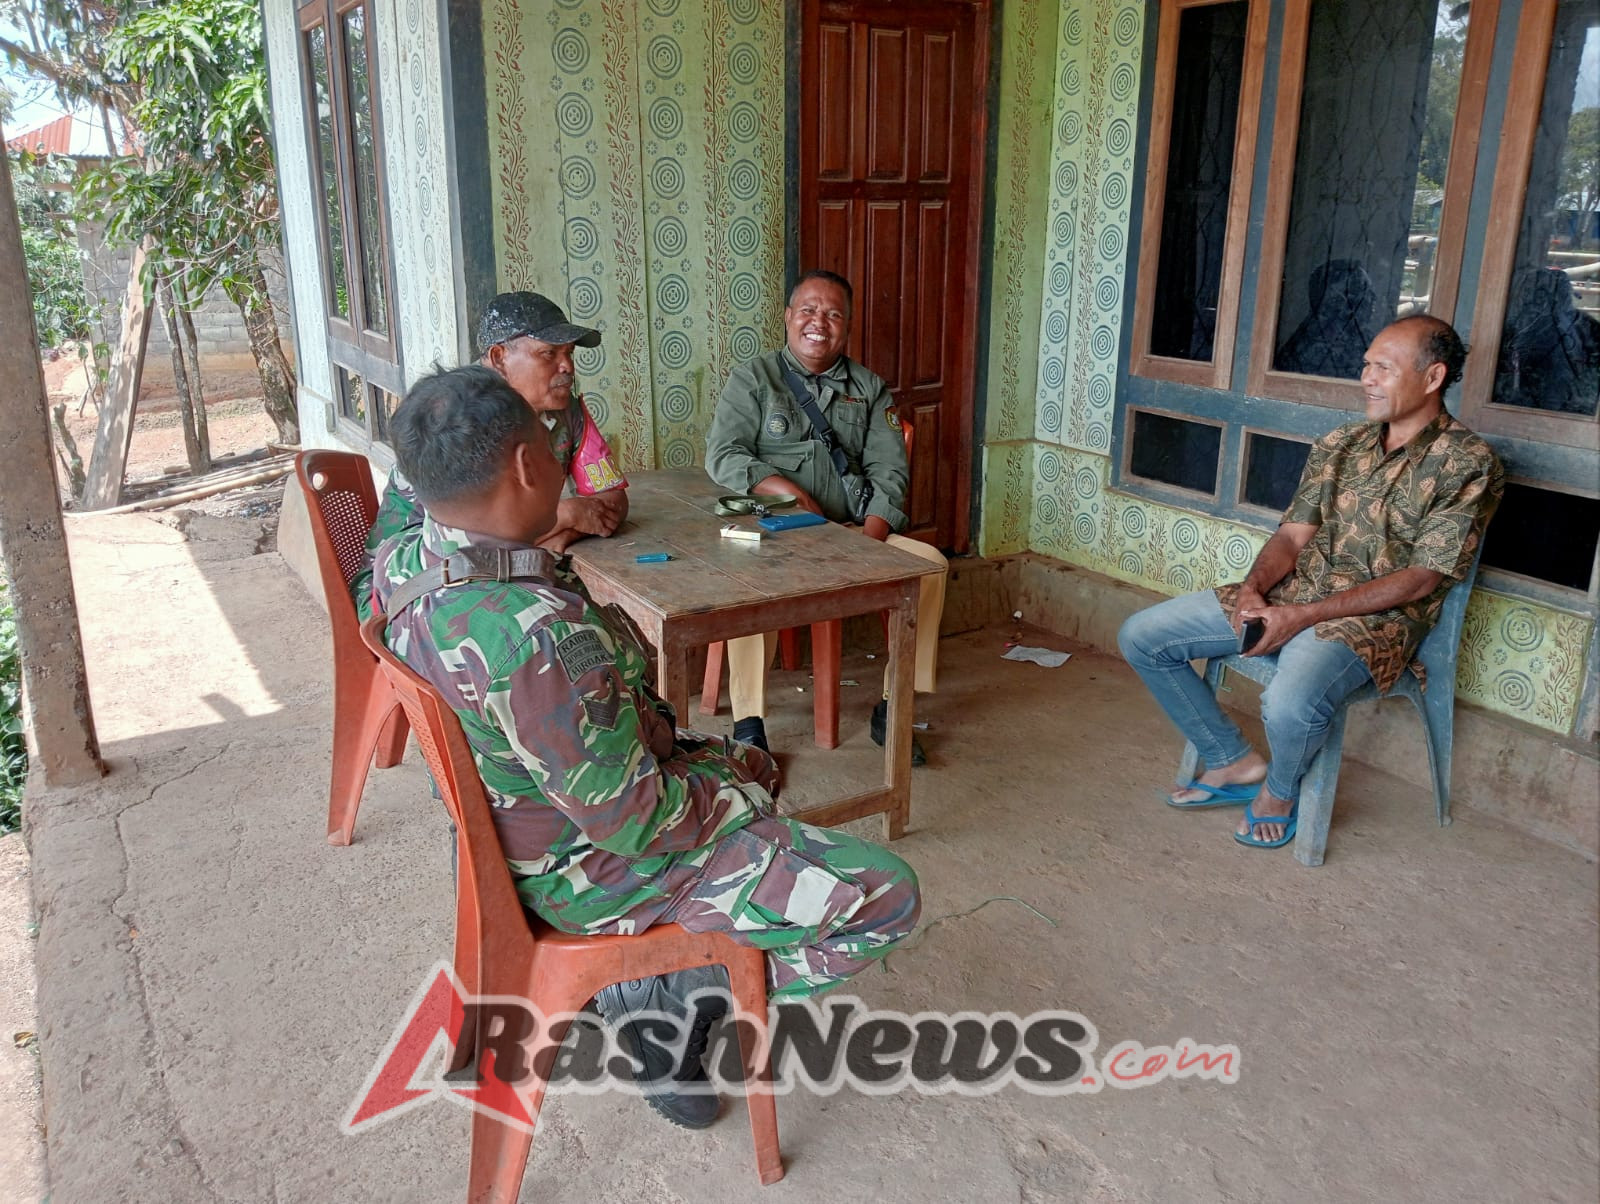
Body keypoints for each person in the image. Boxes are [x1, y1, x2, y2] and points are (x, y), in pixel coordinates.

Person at [372, 365, 921, 1127]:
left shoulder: (406, 560)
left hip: (515, 834)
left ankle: (674, 967)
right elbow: (634, 822)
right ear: (527, 466)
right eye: (551, 451)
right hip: (595, 873)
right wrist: (737, 790)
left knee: (748, 765)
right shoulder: (536, 636)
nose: (562, 465)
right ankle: (666, 994)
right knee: (886, 893)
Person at [1118, 316, 1503, 850]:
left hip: (1375, 622)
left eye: (1384, 368)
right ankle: (1231, 760)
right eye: (1366, 365)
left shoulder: (1468, 463)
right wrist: (1253, 590)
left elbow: (1421, 578)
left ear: (1432, 376)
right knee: (1143, 636)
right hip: (1292, 595)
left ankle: (1278, 792)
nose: (1367, 378)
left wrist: (1302, 617)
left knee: (1288, 702)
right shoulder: (1342, 442)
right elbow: (1292, 536)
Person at [704, 270, 948, 763]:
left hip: (853, 532)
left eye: (834, 314)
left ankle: (893, 705)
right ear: (788, 317)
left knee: (931, 567)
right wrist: (791, 493)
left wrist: (868, 541)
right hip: (775, 532)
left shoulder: (869, 388)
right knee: (745, 582)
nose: (819, 322)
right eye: (809, 311)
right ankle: (749, 723)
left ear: (848, 327)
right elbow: (723, 454)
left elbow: (889, 473)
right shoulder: (754, 378)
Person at [349, 291, 629, 617]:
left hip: (494, 575)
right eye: (548, 353)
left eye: (568, 353)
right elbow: (454, 546)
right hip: (405, 591)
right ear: (499, 357)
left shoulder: (565, 410)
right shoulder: (457, 420)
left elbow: (613, 501)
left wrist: (544, 538)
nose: (567, 366)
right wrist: (565, 516)